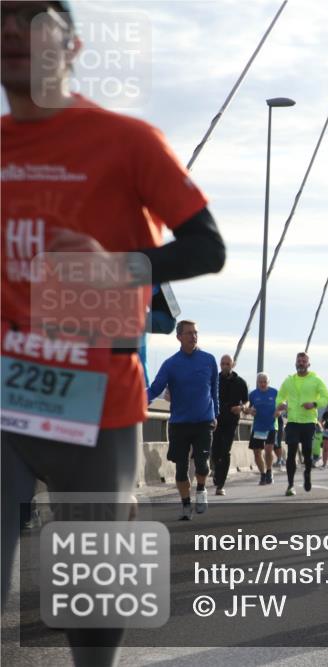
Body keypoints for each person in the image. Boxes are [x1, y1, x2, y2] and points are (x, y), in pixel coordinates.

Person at [0, 4, 225, 662]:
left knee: (94, 601)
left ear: (72, 46)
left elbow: (208, 248)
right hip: (7, 390)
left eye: (32, 18)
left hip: (97, 402)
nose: (12, 30)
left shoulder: (127, 141)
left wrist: (118, 265)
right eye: (1, 17)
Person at [146, 321, 218, 518]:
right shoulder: (170, 364)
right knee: (181, 470)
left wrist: (215, 414)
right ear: (179, 337)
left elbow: (214, 390)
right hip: (179, 423)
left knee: (202, 464)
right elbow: (155, 389)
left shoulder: (209, 360)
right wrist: (137, 401)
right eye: (188, 333)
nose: (193, 336)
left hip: (204, 421)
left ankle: (201, 490)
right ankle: (186, 504)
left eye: (195, 332)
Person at [275, 352, 328, 495]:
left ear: (308, 364)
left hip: (308, 422)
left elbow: (326, 397)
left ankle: (307, 472)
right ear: (295, 363)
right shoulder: (289, 381)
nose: (301, 363)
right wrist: (280, 403)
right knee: (291, 451)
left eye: (303, 361)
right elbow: (280, 396)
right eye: (299, 361)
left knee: (306, 452)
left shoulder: (316, 380)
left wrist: (314, 404)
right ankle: (290, 485)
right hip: (292, 421)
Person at [213, 354, 247, 495]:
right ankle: (216, 471)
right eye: (223, 363)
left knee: (225, 451)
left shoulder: (240, 382)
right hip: (215, 420)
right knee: (215, 450)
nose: (225, 366)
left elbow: (246, 401)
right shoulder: (215, 379)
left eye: (228, 363)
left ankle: (220, 484)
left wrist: (242, 408)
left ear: (233, 365)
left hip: (231, 421)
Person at [246, 372, 279, 485]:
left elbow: (283, 405)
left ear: (268, 382)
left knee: (269, 450)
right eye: (260, 382)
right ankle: (263, 474)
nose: (263, 384)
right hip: (258, 427)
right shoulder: (253, 394)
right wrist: (250, 411)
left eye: (265, 382)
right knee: (257, 453)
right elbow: (246, 408)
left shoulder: (274, 392)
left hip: (271, 426)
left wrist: (279, 411)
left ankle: (269, 471)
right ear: (257, 383)